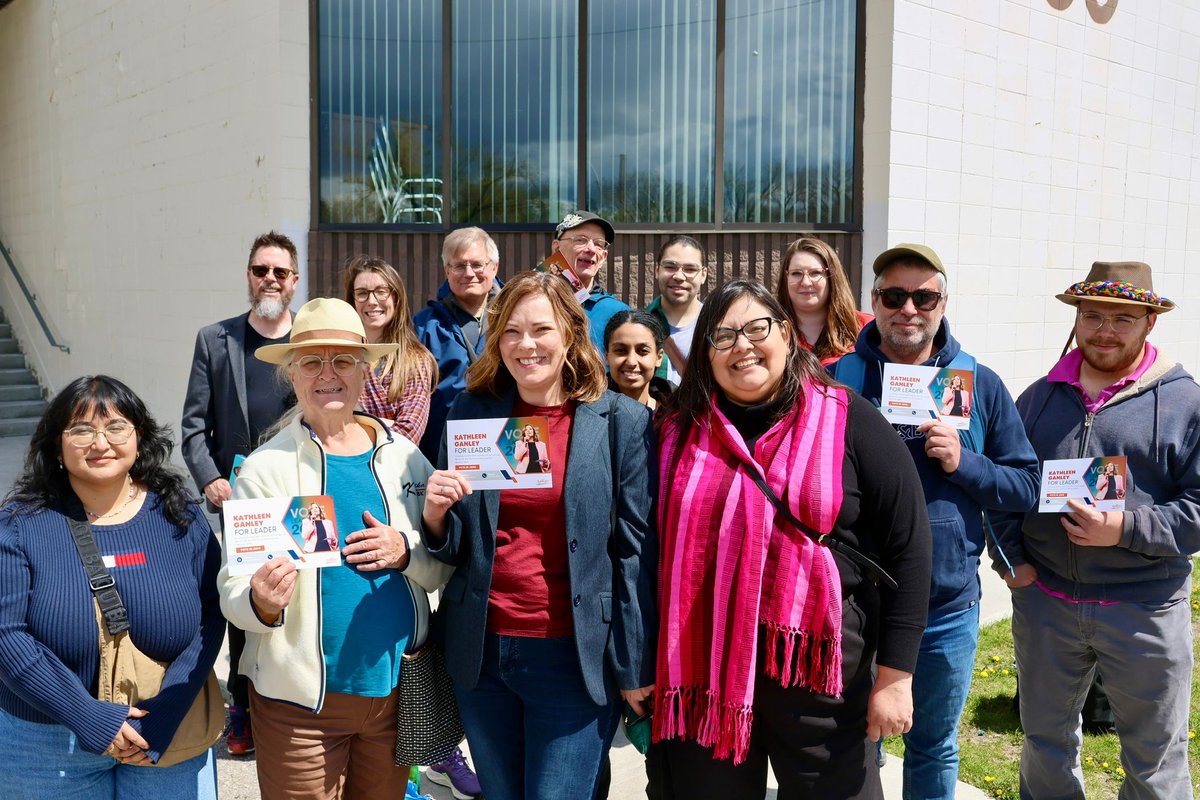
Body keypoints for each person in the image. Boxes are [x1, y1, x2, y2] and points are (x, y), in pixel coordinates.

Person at [652, 280, 931, 797]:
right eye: (724, 335)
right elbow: (646, 552)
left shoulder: (849, 417)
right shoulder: (674, 430)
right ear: (706, 352)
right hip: (700, 671)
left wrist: (896, 676)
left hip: (817, 672)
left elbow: (909, 547)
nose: (743, 345)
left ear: (785, 333)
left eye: (757, 328)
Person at [420, 270, 657, 800]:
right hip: (481, 653)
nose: (526, 345)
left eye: (541, 330)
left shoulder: (618, 420)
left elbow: (635, 551)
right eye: (511, 332)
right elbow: (457, 543)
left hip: (574, 656)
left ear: (572, 333)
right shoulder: (473, 413)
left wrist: (635, 661)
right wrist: (436, 516)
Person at [217, 298, 453, 800]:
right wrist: (260, 602)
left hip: (392, 695)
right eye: (312, 362)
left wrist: (407, 549)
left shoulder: (405, 457)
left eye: (343, 360)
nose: (328, 374)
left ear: (364, 370)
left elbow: (444, 570)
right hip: (298, 709)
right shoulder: (264, 469)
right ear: (292, 375)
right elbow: (233, 594)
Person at [832, 244, 1040, 799]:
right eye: (894, 296)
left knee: (933, 746)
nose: (909, 309)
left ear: (943, 302)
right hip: (856, 607)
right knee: (856, 743)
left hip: (945, 607)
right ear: (872, 302)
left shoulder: (981, 383)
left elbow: (1026, 484)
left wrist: (964, 462)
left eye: (924, 296)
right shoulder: (835, 381)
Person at [991, 261, 1198, 798]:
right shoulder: (1038, 398)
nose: (1105, 329)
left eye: (1122, 318)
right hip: (1048, 604)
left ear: (1150, 323)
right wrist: (1012, 563)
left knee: (1156, 760)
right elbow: (1002, 488)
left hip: (1145, 608)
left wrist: (1125, 529)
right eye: (1093, 315)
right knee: (1044, 744)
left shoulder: (1186, 404)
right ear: (1077, 319)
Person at [0, 375, 223, 798]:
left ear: (139, 437)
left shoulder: (180, 518)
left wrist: (164, 715)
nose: (100, 442)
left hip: (163, 733)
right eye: (81, 429)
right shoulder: (19, 525)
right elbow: (6, 635)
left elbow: (210, 619)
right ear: (57, 446)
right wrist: (86, 717)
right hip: (44, 745)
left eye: (116, 427)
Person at [181, 229, 301, 756]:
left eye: (279, 271)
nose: (269, 279)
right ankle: (244, 710)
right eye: (260, 270)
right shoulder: (216, 339)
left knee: (301, 595)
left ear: (294, 281)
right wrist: (209, 478)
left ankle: (297, 697)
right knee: (243, 600)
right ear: (248, 276)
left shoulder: (309, 340)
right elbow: (192, 427)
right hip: (241, 502)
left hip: (302, 495)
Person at [414, 227, 503, 466]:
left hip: (507, 448)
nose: (469, 273)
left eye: (477, 264)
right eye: (459, 266)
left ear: (494, 267)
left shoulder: (514, 317)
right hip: (444, 454)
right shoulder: (423, 325)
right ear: (447, 271)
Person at [343, 254, 437, 445]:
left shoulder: (416, 360)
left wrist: (347, 429)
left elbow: (408, 433)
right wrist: (384, 424)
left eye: (381, 291)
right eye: (362, 293)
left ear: (396, 297)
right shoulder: (339, 355)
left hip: (392, 469)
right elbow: (318, 419)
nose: (371, 301)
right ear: (352, 301)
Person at [774, 236, 872, 366]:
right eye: (796, 273)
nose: (805, 282)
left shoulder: (866, 327)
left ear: (832, 277)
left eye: (815, 273)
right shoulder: (770, 328)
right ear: (786, 277)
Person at [548, 211, 630, 350]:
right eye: (580, 240)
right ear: (557, 248)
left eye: (599, 244)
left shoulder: (619, 313)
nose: (591, 249)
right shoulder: (528, 302)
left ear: (603, 257)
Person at [645, 235, 707, 383]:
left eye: (690, 269)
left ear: (703, 275)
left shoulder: (717, 325)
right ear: (657, 270)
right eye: (670, 267)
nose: (679, 276)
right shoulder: (639, 325)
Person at [603, 310, 674, 411]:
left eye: (643, 351)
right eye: (621, 351)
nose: (631, 362)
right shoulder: (586, 412)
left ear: (659, 357)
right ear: (607, 356)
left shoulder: (679, 413)